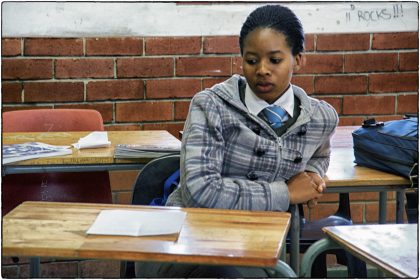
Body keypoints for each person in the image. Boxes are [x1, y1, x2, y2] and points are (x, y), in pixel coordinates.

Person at [136, 4, 338, 278]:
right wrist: (286, 193)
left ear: (298, 59)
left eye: (275, 60)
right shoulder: (211, 106)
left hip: (260, 244)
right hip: (189, 242)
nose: (262, 70)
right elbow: (201, 192)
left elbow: (319, 154)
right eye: (252, 60)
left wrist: (313, 174)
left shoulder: (320, 117)